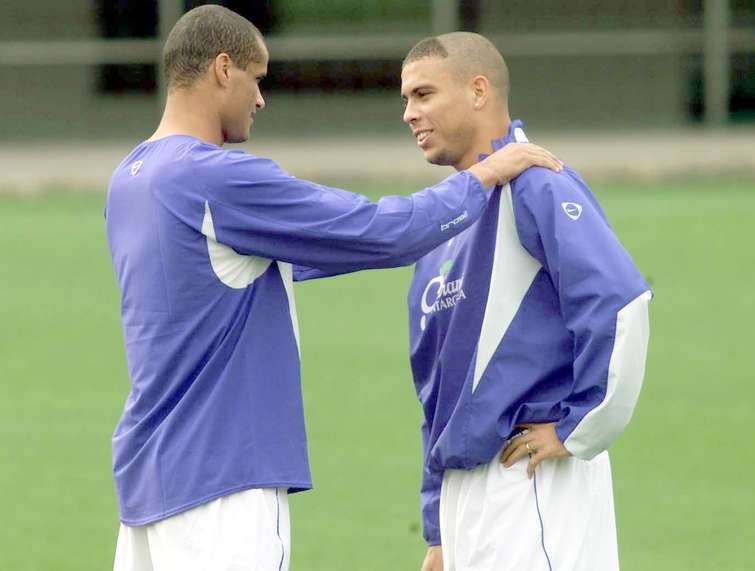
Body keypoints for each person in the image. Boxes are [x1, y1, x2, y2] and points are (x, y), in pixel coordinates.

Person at [104, 6, 562, 571]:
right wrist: (484, 175)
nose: (261, 99)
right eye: (257, 77)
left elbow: (258, 267)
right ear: (223, 69)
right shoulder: (216, 176)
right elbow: (380, 232)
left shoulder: (129, 179)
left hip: (145, 488)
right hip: (221, 480)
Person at [399, 32, 652, 571]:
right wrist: (440, 530)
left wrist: (581, 426)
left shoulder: (538, 185)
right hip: (463, 499)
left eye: (422, 95)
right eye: (405, 100)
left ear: (478, 91)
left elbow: (621, 303)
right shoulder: (443, 219)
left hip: (533, 479)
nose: (408, 114)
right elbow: (436, 392)